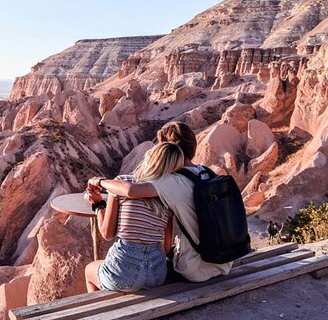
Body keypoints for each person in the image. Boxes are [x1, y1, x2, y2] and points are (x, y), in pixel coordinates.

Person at [88, 121, 233, 282]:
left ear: (166, 151)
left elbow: (131, 191)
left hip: (196, 268)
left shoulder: (171, 181)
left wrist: (100, 183)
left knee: (99, 271)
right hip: (223, 262)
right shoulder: (206, 173)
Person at [83, 143, 181, 292]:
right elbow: (167, 247)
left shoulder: (121, 184)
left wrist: (98, 205)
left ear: (150, 158)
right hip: (156, 275)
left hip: (123, 273)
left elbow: (107, 234)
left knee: (90, 269)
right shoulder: (169, 194)